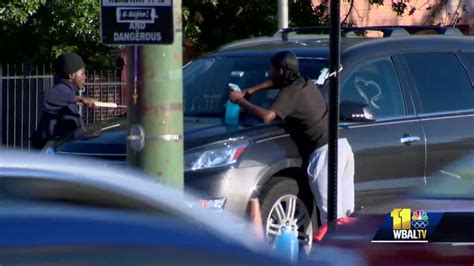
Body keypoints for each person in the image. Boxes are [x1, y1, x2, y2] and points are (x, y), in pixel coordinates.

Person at [228, 51, 354, 224]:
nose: (270, 73)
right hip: (343, 148)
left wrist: (240, 101)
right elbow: (276, 82)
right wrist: (253, 89)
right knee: (345, 214)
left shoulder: (290, 93)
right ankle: (351, 248)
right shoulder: (305, 82)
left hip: (325, 154)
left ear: (280, 71)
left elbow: (267, 117)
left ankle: (333, 249)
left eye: (272, 70)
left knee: (332, 217)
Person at [31, 53, 96, 149]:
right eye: (82, 73)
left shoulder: (68, 92)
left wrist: (86, 135)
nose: (85, 77)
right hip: (52, 155)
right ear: (71, 75)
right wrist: (80, 98)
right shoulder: (63, 89)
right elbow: (48, 97)